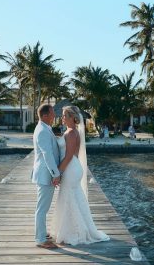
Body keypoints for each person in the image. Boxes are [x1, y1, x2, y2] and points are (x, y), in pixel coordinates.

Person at [51, 106, 110, 245]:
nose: (62, 118)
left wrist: (57, 172)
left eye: (65, 115)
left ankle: (74, 232)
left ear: (73, 117)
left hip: (71, 168)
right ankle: (69, 230)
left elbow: (69, 155)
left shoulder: (71, 133)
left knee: (69, 197)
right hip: (72, 167)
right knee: (70, 197)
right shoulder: (70, 131)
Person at [32, 104, 61, 249]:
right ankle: (41, 239)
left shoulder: (45, 128)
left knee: (43, 207)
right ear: (44, 116)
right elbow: (47, 155)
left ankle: (42, 233)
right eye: (52, 113)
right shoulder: (42, 131)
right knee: (42, 208)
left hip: (46, 173)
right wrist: (56, 174)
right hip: (45, 174)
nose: (54, 115)